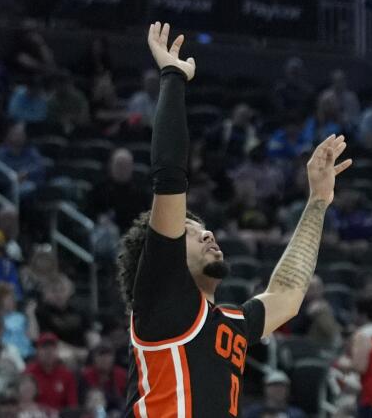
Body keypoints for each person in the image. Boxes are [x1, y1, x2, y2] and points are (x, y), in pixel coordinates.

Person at [118, 23, 352, 416]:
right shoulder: (161, 301)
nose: (207, 233)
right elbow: (170, 176)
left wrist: (318, 201)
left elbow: (288, 295)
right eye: (190, 232)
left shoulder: (230, 323)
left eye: (202, 228)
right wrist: (172, 76)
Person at [85, 148, 150, 229]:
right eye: (119, 165)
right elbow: (89, 212)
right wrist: (99, 218)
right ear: (111, 166)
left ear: (131, 167)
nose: (122, 170)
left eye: (126, 166)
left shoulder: (141, 192)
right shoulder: (99, 189)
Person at [24, 333, 77, 411]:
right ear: (37, 351)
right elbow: (24, 403)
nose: (49, 352)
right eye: (44, 348)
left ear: (57, 351)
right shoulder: (28, 373)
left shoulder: (67, 375)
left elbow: (72, 406)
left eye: (52, 348)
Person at [240, 370, 306, 418]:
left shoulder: (297, 414)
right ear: (265, 388)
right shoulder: (252, 412)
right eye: (274, 386)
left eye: (282, 386)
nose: (278, 389)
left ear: (288, 390)